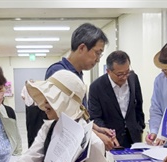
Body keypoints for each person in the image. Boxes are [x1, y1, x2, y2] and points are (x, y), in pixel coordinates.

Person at [45, 22, 118, 151]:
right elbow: (64, 120)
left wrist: (96, 128)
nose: (98, 59)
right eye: (97, 53)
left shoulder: (78, 75)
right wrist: (96, 136)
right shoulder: (59, 73)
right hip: (63, 148)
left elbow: (79, 114)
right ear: (82, 48)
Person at [89, 50, 145, 162]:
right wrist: (105, 135)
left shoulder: (133, 79)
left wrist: (140, 126)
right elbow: (95, 117)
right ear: (109, 71)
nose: (124, 77)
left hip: (132, 137)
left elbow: (138, 105)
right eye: (120, 74)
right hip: (109, 140)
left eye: (127, 72)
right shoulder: (97, 87)